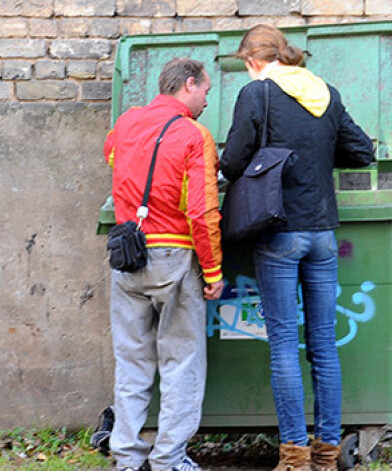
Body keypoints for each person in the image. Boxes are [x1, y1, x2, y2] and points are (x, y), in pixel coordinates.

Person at [221, 25, 374, 471]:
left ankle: (293, 455)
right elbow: (361, 151)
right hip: (323, 234)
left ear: (253, 59)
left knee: (285, 343)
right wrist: (317, 158)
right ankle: (328, 452)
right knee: (324, 344)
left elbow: (232, 161)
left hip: (279, 234)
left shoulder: (258, 94)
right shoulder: (325, 91)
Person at [104, 57, 224, 471]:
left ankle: (126, 458)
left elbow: (113, 159)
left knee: (132, 361)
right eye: (206, 91)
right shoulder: (194, 134)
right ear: (189, 84)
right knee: (181, 361)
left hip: (127, 255)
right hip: (174, 256)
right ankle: (169, 458)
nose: (207, 100)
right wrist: (212, 271)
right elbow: (202, 211)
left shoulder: (126, 124)